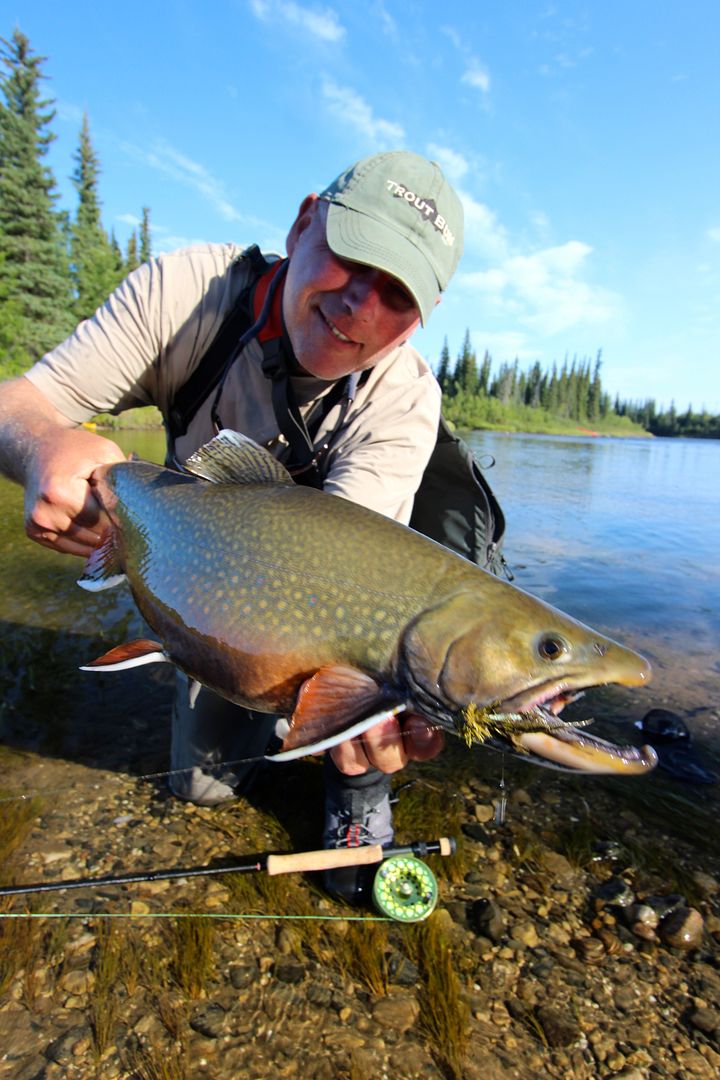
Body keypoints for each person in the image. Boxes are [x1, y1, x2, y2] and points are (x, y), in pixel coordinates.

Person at [0, 150, 464, 902]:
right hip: (195, 548)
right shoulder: (187, 295)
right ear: (305, 221)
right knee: (202, 789)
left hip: (317, 580)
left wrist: (354, 701)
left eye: (397, 294)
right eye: (352, 257)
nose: (358, 305)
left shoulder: (402, 400)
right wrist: (43, 446)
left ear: (422, 320)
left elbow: (347, 594)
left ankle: (355, 787)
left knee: (366, 691)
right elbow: (17, 402)